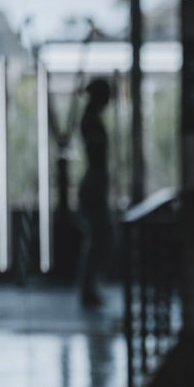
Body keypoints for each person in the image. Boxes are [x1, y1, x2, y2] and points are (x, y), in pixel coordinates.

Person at [76, 77, 113, 308]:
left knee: (100, 238)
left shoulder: (91, 119)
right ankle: (87, 287)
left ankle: (89, 286)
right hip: (94, 185)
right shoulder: (90, 121)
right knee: (99, 238)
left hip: (95, 184)